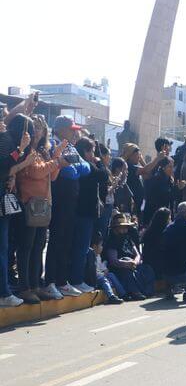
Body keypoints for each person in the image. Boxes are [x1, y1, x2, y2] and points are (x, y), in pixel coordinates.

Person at [15, 117, 65, 303]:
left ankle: (35, 285)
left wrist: (56, 158)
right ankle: (24, 287)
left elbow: (52, 176)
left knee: (38, 246)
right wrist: (55, 162)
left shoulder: (44, 151)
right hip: (28, 203)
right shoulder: (26, 149)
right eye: (35, 127)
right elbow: (36, 172)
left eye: (41, 128)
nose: (38, 131)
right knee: (26, 247)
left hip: (42, 205)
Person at [44, 116, 90, 298]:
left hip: (71, 201)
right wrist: (74, 166)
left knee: (66, 241)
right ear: (61, 129)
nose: (74, 132)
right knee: (56, 240)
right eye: (70, 129)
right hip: (59, 199)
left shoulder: (70, 146)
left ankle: (62, 281)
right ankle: (50, 281)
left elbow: (85, 168)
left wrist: (74, 165)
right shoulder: (53, 144)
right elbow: (69, 173)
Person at [69, 137, 108, 294]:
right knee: (81, 248)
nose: (94, 154)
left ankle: (76, 279)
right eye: (91, 151)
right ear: (85, 151)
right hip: (84, 212)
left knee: (80, 248)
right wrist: (98, 161)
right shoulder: (87, 166)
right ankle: (76, 280)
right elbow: (104, 176)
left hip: (81, 212)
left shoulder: (80, 163)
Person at [104, 213, 154, 301]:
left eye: (126, 227)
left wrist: (135, 261)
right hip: (120, 268)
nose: (125, 229)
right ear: (115, 228)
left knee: (147, 268)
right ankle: (134, 292)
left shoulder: (128, 238)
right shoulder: (112, 241)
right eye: (122, 227)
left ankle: (147, 291)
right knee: (126, 264)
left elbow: (137, 254)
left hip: (133, 265)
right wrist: (128, 263)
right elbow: (113, 261)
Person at [86, 232, 125, 305]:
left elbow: (101, 267)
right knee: (103, 279)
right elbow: (94, 272)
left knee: (111, 275)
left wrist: (105, 269)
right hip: (95, 279)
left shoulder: (98, 256)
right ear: (94, 247)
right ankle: (111, 296)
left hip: (100, 275)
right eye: (100, 245)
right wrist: (103, 273)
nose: (102, 247)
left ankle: (123, 294)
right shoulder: (91, 256)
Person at [142, 207, 171, 280]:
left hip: (149, 265)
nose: (170, 220)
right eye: (169, 218)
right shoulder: (164, 233)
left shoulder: (149, 232)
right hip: (159, 266)